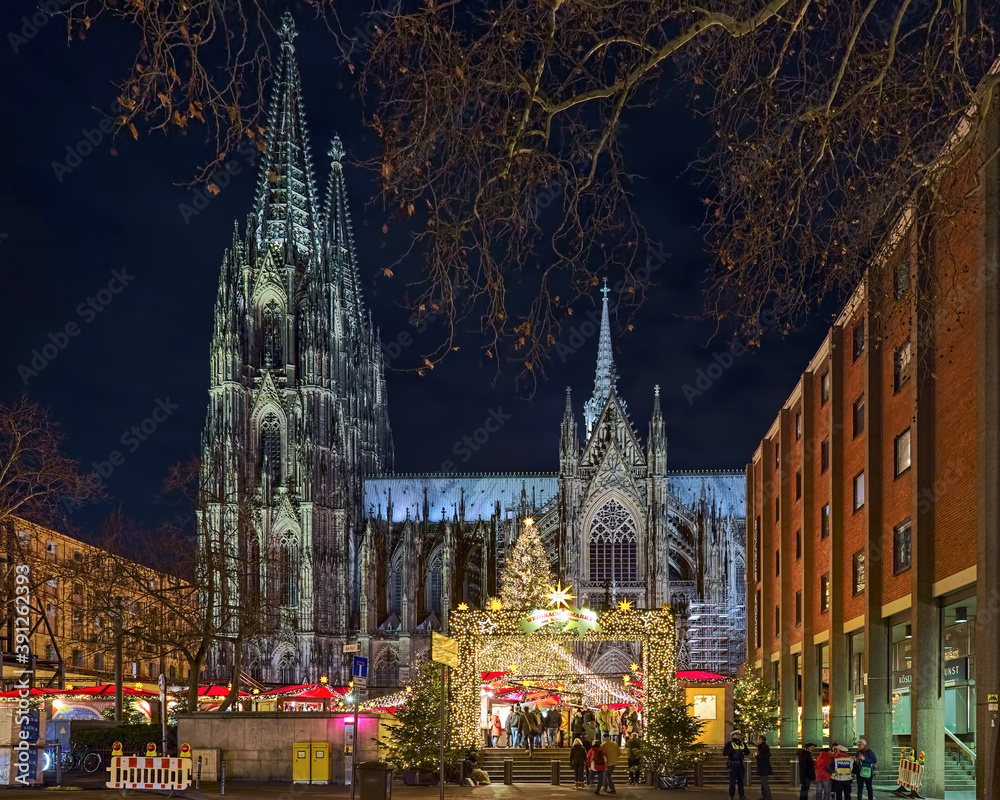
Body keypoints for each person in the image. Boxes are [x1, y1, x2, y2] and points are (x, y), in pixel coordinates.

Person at [722, 729, 750, 800]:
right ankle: (731, 795)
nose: (738, 736)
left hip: (740, 764)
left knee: (741, 781)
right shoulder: (729, 744)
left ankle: (742, 795)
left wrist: (744, 751)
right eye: (736, 735)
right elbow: (724, 753)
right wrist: (730, 751)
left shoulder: (742, 744)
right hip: (733, 764)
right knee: (733, 781)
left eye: (739, 735)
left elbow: (747, 752)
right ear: (733, 736)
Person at [755, 735, 773, 800]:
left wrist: (756, 755)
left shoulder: (764, 747)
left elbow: (762, 757)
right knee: (763, 783)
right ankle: (764, 796)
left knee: (764, 783)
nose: (757, 740)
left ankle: (768, 796)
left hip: (763, 767)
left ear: (761, 739)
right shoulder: (762, 747)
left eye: (758, 739)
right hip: (763, 767)